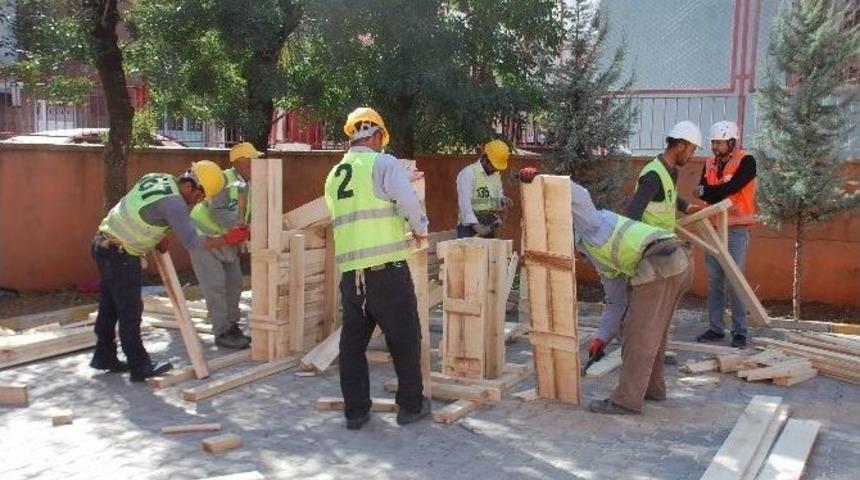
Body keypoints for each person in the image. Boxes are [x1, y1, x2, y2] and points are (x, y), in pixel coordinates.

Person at [519, 167, 694, 414]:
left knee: (637, 334)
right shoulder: (601, 261)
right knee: (654, 333)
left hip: (661, 260)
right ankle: (653, 389)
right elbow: (616, 304)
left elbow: (579, 196)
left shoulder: (592, 226)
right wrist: (600, 339)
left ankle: (626, 401)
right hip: (678, 262)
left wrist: (541, 178)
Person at [90, 161, 250, 382]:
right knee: (130, 311)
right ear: (189, 186)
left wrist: (159, 233)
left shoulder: (159, 177)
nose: (198, 201)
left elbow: (144, 207)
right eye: (200, 195)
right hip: (121, 255)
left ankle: (104, 355)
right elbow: (192, 242)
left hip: (102, 243)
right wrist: (227, 238)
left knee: (109, 306)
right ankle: (140, 366)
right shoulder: (175, 204)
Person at [324, 107, 431, 430]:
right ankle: (410, 405)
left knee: (352, 346)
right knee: (405, 338)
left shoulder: (334, 175)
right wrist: (421, 228)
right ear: (376, 134)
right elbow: (408, 202)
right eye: (382, 137)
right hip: (387, 271)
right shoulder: (384, 163)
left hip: (352, 275)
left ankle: (356, 412)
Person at [586, 121, 706, 361]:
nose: (692, 156)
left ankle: (649, 352)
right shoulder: (652, 174)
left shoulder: (669, 170)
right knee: (642, 309)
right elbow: (633, 213)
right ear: (680, 146)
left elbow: (666, 198)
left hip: (662, 249)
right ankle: (636, 352)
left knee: (653, 308)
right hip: (648, 252)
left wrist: (685, 206)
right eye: (691, 149)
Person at [189, 142, 262, 349]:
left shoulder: (251, 184)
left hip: (226, 240)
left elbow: (248, 213)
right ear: (240, 162)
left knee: (235, 283)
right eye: (253, 159)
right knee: (216, 286)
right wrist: (240, 227)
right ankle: (222, 332)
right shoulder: (221, 180)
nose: (257, 163)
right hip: (204, 239)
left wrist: (248, 230)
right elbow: (217, 211)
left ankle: (232, 325)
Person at [695, 121, 757, 348]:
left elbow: (731, 188)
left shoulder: (747, 161)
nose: (714, 147)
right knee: (715, 281)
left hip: (736, 229)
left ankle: (740, 331)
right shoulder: (708, 163)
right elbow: (702, 193)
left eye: (719, 142)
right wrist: (712, 192)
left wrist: (711, 191)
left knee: (735, 279)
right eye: (713, 142)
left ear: (731, 141)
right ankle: (716, 328)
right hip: (713, 229)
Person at [456, 139, 513, 238]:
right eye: (494, 167)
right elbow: (465, 205)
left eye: (497, 169)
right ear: (485, 160)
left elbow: (497, 197)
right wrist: (476, 226)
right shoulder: (468, 174)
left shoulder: (496, 175)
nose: (495, 171)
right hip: (469, 228)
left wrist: (502, 200)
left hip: (489, 225)